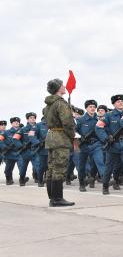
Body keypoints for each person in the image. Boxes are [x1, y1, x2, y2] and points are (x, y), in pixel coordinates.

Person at [43, 78, 75, 207]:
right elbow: (67, 122)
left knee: (51, 168)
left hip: (51, 137)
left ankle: (52, 198)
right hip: (61, 138)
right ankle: (57, 198)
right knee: (59, 169)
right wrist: (72, 136)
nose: (64, 86)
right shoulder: (61, 104)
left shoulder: (48, 105)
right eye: (62, 85)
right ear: (58, 88)